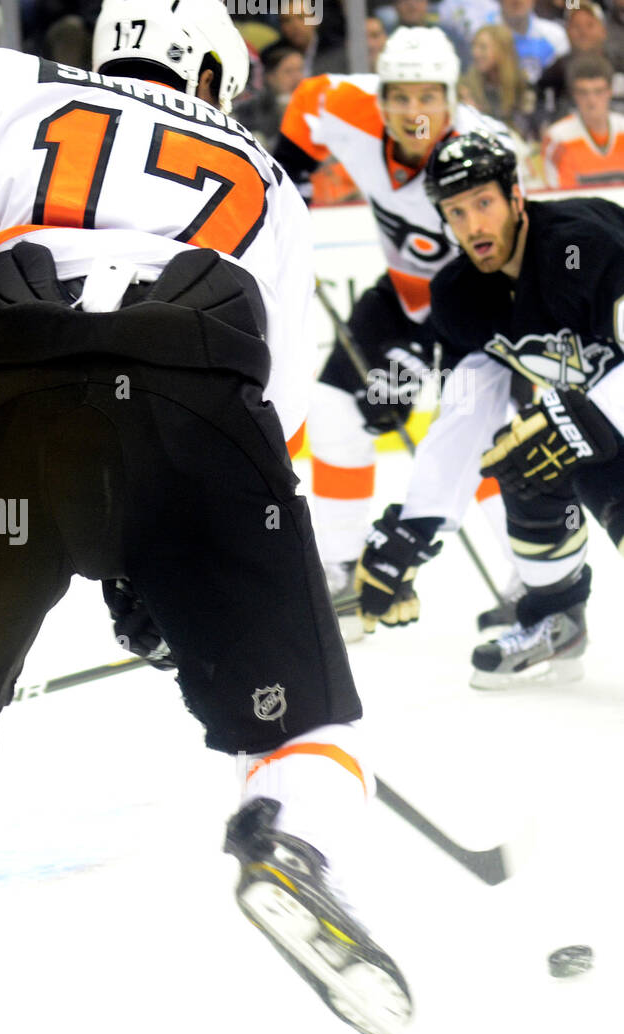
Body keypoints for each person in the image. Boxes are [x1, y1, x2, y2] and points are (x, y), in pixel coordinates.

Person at [0, 0, 413, 1034]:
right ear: (209, 74)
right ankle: (286, 841)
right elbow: (271, 416)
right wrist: (157, 569)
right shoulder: (263, 176)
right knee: (308, 728)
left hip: (6, 406)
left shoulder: (2, 86)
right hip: (198, 409)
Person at [356, 131, 624, 687]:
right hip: (603, 434)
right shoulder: (459, 295)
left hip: (610, 414)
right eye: (457, 211)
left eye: (484, 203)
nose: (474, 225)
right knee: (524, 455)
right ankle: (556, 616)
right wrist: (415, 527)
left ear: (515, 197)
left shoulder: (585, 245)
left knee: (557, 428)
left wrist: (588, 416)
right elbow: (466, 412)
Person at [275, 26, 516, 641]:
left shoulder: (483, 152)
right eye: (400, 98)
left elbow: (502, 266)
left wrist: (413, 361)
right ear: (381, 97)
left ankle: (531, 583)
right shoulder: (345, 104)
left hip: (474, 307)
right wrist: (291, 211)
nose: (414, 113)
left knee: (483, 443)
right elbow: (306, 107)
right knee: (333, 410)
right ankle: (345, 574)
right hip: (401, 291)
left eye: (428, 97)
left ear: (453, 98)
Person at [542, 52, 624, 186]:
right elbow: (560, 197)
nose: (591, 101)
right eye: (583, 93)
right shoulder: (558, 138)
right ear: (574, 95)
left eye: (598, 91)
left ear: (610, 91)